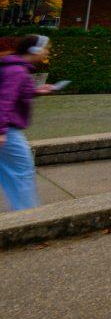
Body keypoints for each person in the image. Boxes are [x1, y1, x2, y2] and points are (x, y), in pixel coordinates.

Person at [0, 35, 59, 211]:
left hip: (7, 129)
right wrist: (1, 131)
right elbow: (4, 101)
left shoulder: (13, 67)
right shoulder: (17, 71)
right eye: (45, 48)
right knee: (22, 172)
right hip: (8, 130)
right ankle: (28, 217)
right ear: (33, 50)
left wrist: (36, 91)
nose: (47, 52)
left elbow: (12, 94)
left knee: (10, 173)